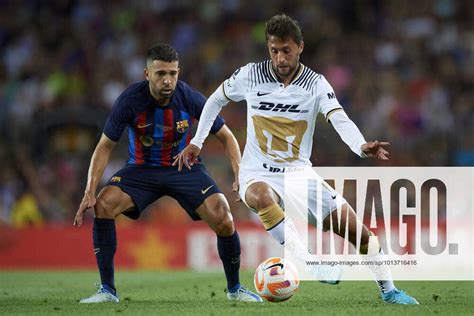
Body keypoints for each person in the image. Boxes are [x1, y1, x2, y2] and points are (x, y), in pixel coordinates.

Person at [174, 14, 418, 305]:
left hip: (299, 174)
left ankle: (389, 290)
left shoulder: (315, 84)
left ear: (300, 47)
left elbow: (338, 117)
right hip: (257, 172)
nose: (279, 57)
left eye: (286, 50)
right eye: (274, 50)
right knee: (261, 195)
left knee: (359, 232)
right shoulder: (250, 75)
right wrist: (197, 141)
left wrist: (360, 145)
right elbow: (214, 100)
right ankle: (309, 262)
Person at [73, 43, 262, 303]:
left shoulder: (190, 98)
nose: (167, 80)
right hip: (142, 169)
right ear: (146, 74)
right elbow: (104, 147)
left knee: (223, 216)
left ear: (178, 73)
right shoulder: (130, 101)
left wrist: (240, 175)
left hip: (183, 168)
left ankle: (235, 290)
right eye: (160, 73)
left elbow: (227, 137)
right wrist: (89, 191)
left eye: (172, 73)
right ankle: (107, 290)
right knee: (103, 204)